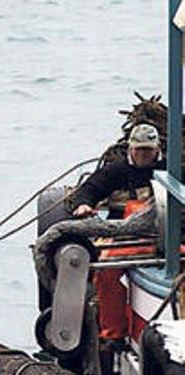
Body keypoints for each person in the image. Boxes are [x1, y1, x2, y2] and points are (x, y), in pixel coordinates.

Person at [70, 123, 163, 346]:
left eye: (148, 150)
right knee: (107, 269)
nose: (143, 154)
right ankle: (113, 333)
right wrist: (83, 205)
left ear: (157, 148)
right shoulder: (115, 171)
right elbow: (88, 190)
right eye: (138, 149)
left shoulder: (171, 170)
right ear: (130, 148)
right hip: (122, 236)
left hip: (161, 236)